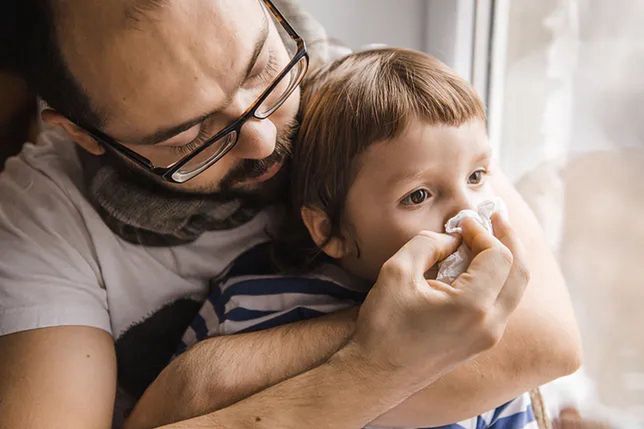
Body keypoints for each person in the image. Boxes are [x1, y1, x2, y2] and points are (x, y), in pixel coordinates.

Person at [0, 1, 580, 428]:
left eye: (261, 70)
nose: (259, 136)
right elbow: (487, 320)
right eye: (190, 135)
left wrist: (203, 388)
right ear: (85, 134)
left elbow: (543, 340)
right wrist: (371, 365)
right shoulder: (42, 215)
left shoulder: (362, 97)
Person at [128, 48, 542, 429]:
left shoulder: (483, 325)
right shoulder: (248, 299)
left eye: (476, 176)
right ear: (330, 231)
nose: (466, 212)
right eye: (418, 196)